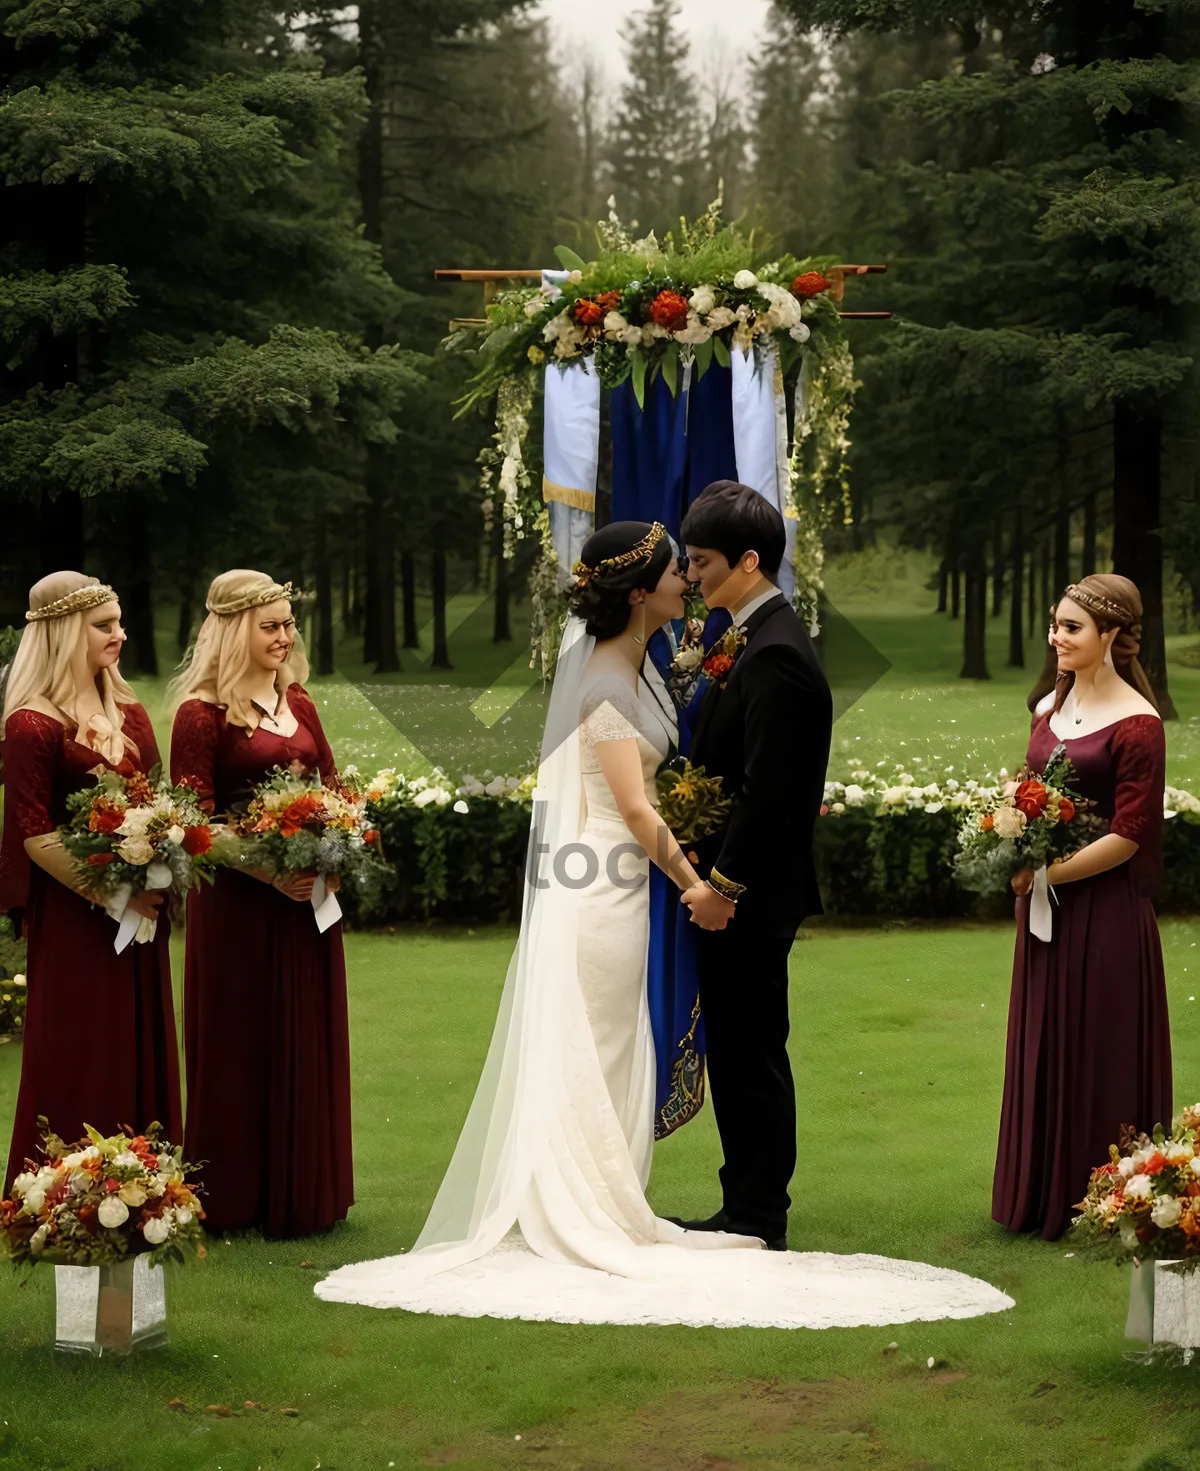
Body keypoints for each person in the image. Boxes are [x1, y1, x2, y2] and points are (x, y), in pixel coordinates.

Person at [314, 521, 1011, 1328]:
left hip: (626, 892)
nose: (688, 581)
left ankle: (611, 1203)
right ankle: (586, 1212)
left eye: (696, 566)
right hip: (605, 891)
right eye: (678, 572)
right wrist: (696, 882)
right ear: (640, 593)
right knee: (601, 1046)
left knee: (615, 1048)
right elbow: (638, 808)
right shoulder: (608, 686)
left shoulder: (640, 666)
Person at [672, 481, 833, 1250]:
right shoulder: (748, 635)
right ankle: (743, 1203)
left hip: (752, 895)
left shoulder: (777, 655)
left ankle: (760, 1213)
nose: (690, 574)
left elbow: (769, 795)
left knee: (752, 1049)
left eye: (700, 562)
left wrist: (720, 889)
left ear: (746, 561)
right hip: (740, 890)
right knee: (737, 1045)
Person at [169, 569, 352, 1237]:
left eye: (288, 624)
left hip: (307, 904)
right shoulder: (200, 714)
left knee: (305, 1032)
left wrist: (334, 850)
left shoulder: (297, 701)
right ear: (234, 630)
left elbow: (332, 785)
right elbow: (193, 822)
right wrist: (268, 872)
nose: (285, 636)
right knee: (240, 1037)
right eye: (270, 625)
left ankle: (306, 1192)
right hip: (239, 910)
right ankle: (237, 1196)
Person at [993, 574, 1171, 1241]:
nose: (1056, 637)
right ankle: (1041, 1190)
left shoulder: (1138, 725)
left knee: (1100, 1049)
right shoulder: (1047, 705)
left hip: (1106, 914)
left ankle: (1106, 1199)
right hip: (1047, 911)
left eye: (1071, 628)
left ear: (1113, 637)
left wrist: (1044, 873)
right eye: (1055, 623)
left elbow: (1129, 836)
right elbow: (1034, 787)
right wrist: (1010, 827)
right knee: (1045, 1040)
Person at [1, 572, 180, 1189]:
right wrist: (112, 890)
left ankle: (147, 1185)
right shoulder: (30, 724)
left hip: (141, 907)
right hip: (75, 914)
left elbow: (159, 802)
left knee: (138, 1037)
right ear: (64, 632)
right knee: (81, 1044)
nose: (120, 635)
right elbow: (32, 830)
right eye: (105, 625)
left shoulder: (128, 711)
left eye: (120, 622)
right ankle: (65, 1191)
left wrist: (156, 871)